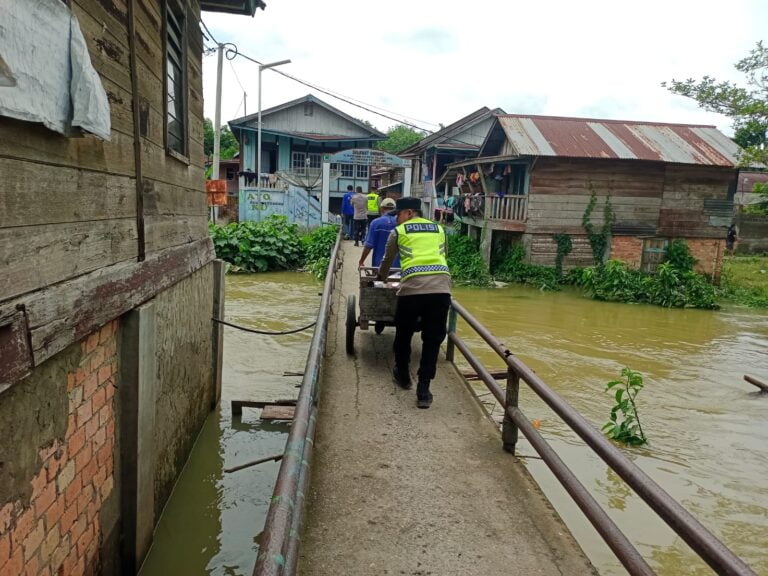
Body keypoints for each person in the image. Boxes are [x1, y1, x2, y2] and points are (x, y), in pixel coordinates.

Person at [378, 197, 451, 409]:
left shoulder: (399, 232)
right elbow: (444, 255)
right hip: (440, 288)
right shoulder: (439, 229)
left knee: (403, 333)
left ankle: (403, 375)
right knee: (432, 339)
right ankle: (424, 390)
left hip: (411, 291)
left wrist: (382, 278)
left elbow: (387, 259)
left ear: (409, 212)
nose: (396, 220)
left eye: (398, 215)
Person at [358, 198, 400, 269]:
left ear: (382, 209)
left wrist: (361, 261)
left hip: (378, 265)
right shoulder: (401, 223)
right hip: (398, 267)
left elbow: (368, 246)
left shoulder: (376, 223)